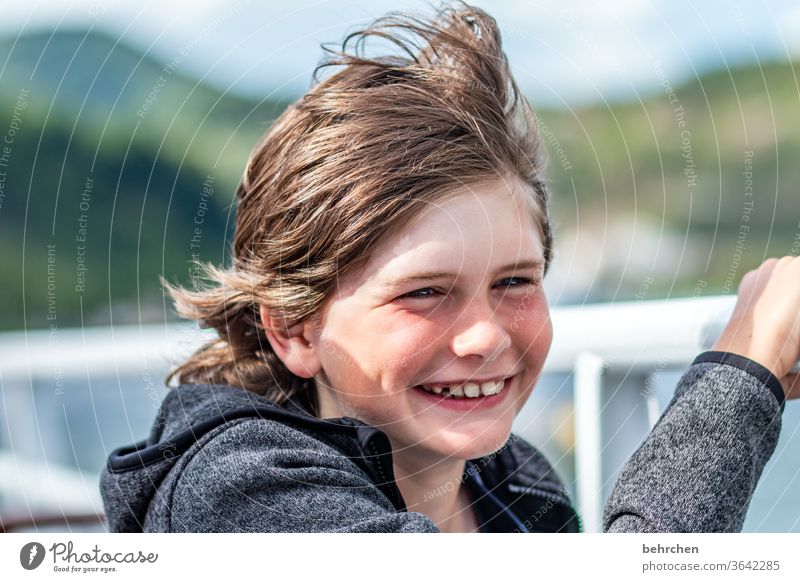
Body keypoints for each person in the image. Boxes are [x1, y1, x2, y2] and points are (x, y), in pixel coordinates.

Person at [99, 1, 800, 533]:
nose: (486, 337)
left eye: (515, 282)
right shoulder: (242, 492)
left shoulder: (513, 481)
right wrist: (740, 376)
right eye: (426, 292)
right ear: (295, 330)